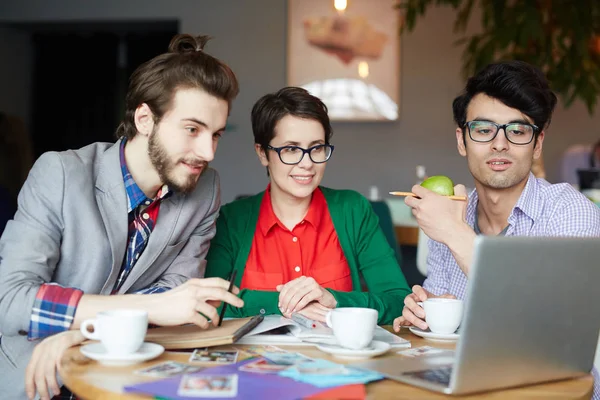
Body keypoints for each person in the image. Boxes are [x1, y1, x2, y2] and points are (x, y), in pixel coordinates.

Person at [0, 34, 244, 400]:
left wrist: (84, 332)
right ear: (145, 119)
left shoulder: (205, 190)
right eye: (192, 129)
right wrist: (150, 306)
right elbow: (11, 300)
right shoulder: (61, 174)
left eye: (216, 134)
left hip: (129, 376)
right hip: (37, 378)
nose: (207, 152)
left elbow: (176, 302)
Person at [391, 60, 600, 399]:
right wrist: (424, 313)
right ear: (462, 140)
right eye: (483, 129)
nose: (499, 144)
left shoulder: (568, 212)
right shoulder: (456, 214)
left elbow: (551, 334)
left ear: (538, 143)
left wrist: (453, 232)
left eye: (517, 131)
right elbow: (443, 328)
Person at [204, 87, 410, 325]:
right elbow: (211, 303)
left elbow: (398, 301)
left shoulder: (353, 210)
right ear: (262, 153)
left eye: (316, 148)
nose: (307, 163)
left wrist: (333, 300)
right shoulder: (232, 220)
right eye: (291, 149)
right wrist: (283, 303)